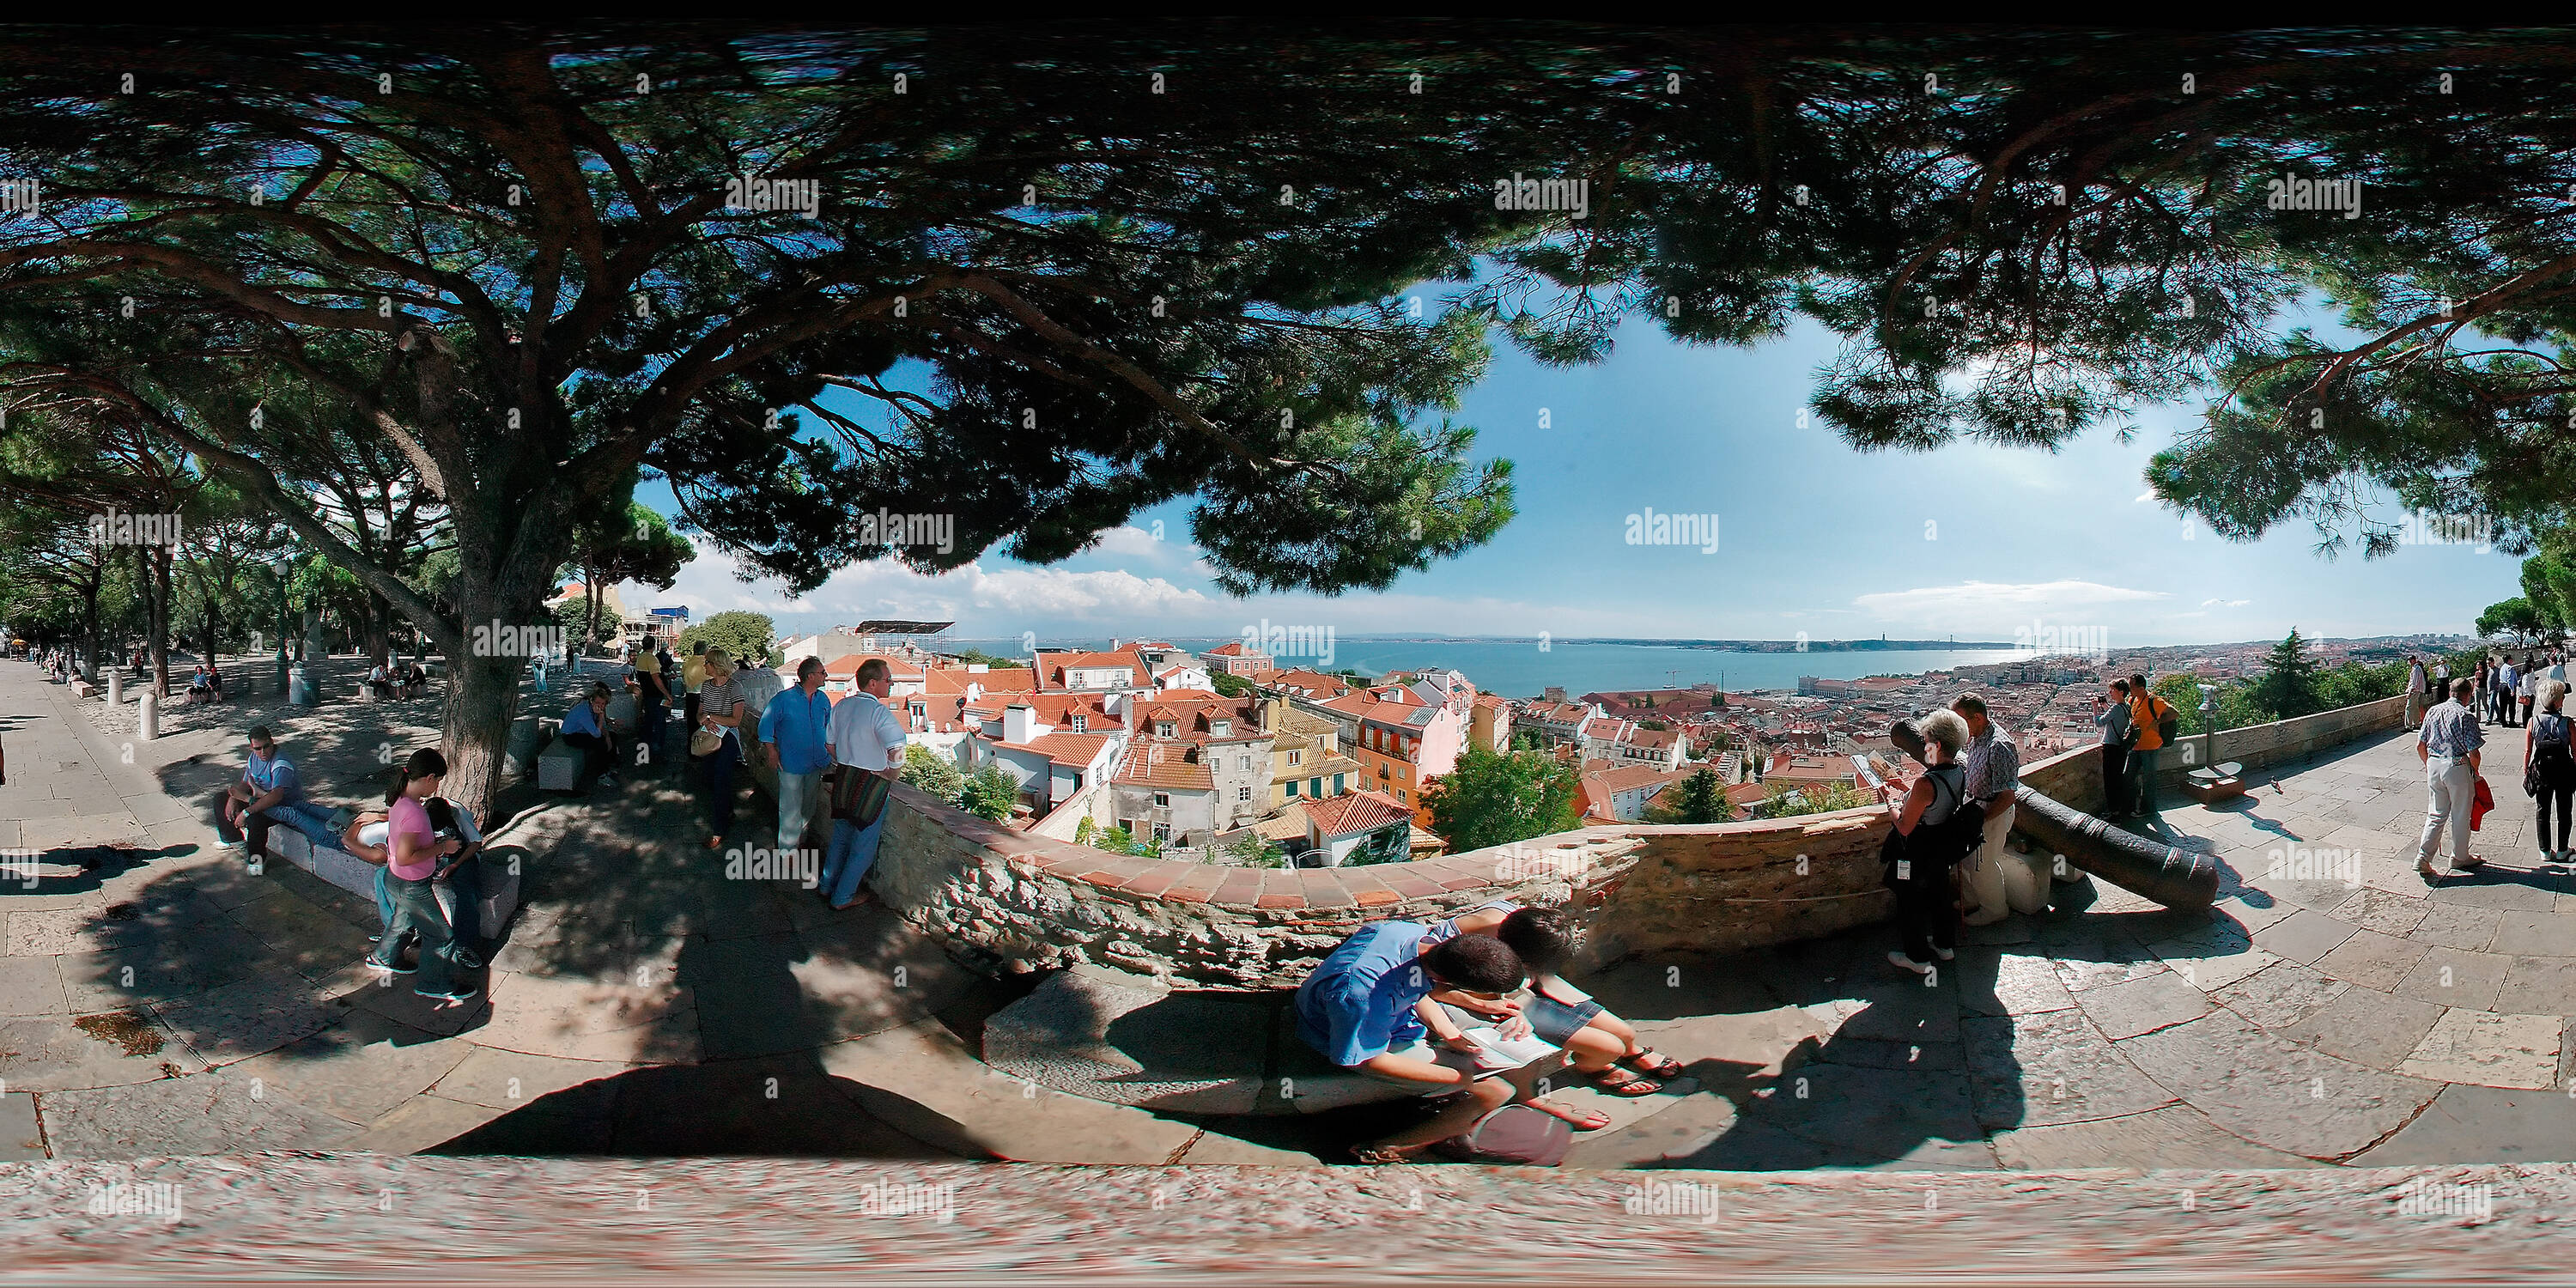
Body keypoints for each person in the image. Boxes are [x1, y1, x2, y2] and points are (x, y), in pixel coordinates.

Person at [1295, 920, 1589, 1163]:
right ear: (1447, 983)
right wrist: (1460, 1077)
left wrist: (1450, 1031)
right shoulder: (1360, 997)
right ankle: (1390, 1146)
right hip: (1358, 1039)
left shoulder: (1410, 938)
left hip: (1394, 1018)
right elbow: (1366, 1058)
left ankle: (1463, 1115)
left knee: (1510, 1052)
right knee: (1495, 1091)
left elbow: (1415, 989)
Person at [1421, 902, 1682, 1093]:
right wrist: (1483, 1003)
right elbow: (1427, 988)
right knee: (1608, 1047)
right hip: (1492, 1001)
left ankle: (1632, 1051)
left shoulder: (1520, 923)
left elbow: (1533, 978)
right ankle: (1594, 1068)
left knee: (1624, 1033)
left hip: (1525, 991)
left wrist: (1533, 982)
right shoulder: (1458, 948)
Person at [365, 748, 480, 1003]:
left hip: (395, 878)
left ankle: (383, 958)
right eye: (438, 780)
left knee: (403, 922)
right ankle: (435, 984)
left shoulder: (400, 799)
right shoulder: (415, 812)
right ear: (428, 778)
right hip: (412, 884)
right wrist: (442, 848)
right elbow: (407, 855)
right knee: (441, 935)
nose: (438, 786)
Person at [341, 781, 488, 971]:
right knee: (383, 877)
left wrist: (455, 865)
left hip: (461, 855)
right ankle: (394, 934)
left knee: (468, 889)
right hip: (432, 853)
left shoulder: (458, 813)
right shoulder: (418, 812)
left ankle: (463, 945)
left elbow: (476, 843)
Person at [1874, 712, 1972, 974]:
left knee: (1910, 900)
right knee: (1940, 895)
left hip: (1917, 847)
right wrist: (1908, 788)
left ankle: (1917, 958)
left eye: (1927, 740)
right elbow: (1936, 800)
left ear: (1937, 745)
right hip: (1942, 843)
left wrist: (1890, 801)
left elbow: (1905, 826)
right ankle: (1945, 946)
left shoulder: (1925, 783)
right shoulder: (1959, 770)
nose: (1924, 744)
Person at [820, 657, 905, 909]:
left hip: (845, 778)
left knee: (841, 837)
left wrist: (847, 761)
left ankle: (826, 886)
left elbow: (829, 745)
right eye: (888, 680)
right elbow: (897, 748)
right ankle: (842, 897)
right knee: (864, 847)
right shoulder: (879, 712)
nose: (891, 684)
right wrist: (892, 773)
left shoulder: (842, 706)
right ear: (872, 683)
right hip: (871, 783)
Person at [213, 726, 337, 863]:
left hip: (280, 804)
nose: (263, 752)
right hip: (259, 797)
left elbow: (276, 796)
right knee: (220, 798)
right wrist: (233, 798)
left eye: (266, 746)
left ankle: (257, 861)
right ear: (251, 747)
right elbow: (246, 781)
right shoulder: (253, 757)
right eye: (258, 748)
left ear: (272, 742)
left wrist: (246, 811)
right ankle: (233, 840)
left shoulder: (281, 763)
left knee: (255, 819)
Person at [1951, 694, 2020, 927]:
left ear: (1977, 717)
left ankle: (1995, 909)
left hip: (1992, 813)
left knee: (1983, 865)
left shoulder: (1999, 746)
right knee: (1970, 862)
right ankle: (1972, 899)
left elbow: (2007, 796)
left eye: (1960, 720)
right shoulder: (1977, 738)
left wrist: (1983, 819)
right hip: (1976, 809)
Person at [760, 656, 835, 857]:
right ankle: (787, 852)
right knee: (790, 810)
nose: (825, 676)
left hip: (817, 762)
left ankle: (798, 841)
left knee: (808, 808)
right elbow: (765, 727)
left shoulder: (823, 699)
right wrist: (772, 752)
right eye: (822, 673)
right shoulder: (783, 700)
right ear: (810, 676)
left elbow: (829, 728)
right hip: (791, 763)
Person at [2415, 677, 2488, 881]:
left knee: (2436, 814)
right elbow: (2474, 753)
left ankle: (2423, 857)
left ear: (2450, 692)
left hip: (2434, 763)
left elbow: (2420, 746)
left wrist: (2428, 766)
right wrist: (2475, 773)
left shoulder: (2433, 711)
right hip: (2456, 765)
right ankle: (2460, 856)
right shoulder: (2466, 716)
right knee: (2460, 814)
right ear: (2468, 694)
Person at [696, 648, 750, 851]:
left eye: (707, 663)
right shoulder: (706, 687)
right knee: (709, 777)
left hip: (727, 739)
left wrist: (711, 718)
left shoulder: (735, 688)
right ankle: (727, 809)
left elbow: (736, 720)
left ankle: (719, 830)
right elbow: (699, 713)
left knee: (720, 778)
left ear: (716, 665)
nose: (704, 666)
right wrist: (704, 720)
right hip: (709, 737)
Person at [2530, 680, 2576, 866]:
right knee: (2565, 809)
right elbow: (2575, 751)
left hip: (2542, 770)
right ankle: (2563, 849)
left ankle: (2545, 851)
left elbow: (2527, 750)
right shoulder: (2568, 723)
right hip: (2564, 769)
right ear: (2558, 701)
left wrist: (2526, 769)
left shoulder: (2533, 721)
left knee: (2542, 809)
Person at [2126, 675, 2177, 817]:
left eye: (2132, 686)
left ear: (2141, 688)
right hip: (2136, 745)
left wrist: (2158, 722)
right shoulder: (2132, 700)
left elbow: (2174, 713)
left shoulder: (2154, 700)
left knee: (2149, 779)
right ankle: (2129, 806)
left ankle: (2148, 809)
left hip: (2151, 746)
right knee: (2129, 776)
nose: (2129, 689)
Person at [560, 682, 621, 791]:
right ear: (591, 700)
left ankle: (610, 765)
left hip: (582, 732)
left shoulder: (592, 708)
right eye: (598, 702)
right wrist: (601, 716)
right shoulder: (583, 711)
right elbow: (596, 733)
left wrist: (608, 735)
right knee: (600, 742)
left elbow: (600, 728)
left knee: (613, 736)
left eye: (603, 704)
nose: (600, 706)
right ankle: (601, 776)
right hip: (570, 735)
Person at [2093, 680, 2134, 818]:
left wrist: (2095, 708)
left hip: (2110, 747)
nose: (2110, 693)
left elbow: (2099, 723)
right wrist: (2105, 706)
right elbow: (2115, 717)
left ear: (2121, 692)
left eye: (2113, 690)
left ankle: (2113, 813)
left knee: (2110, 781)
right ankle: (2119, 809)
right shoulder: (2126, 707)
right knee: (2117, 779)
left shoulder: (2116, 708)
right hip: (2120, 748)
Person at [629, 645, 672, 773]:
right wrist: (667, 693)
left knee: (647, 725)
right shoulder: (651, 659)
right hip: (655, 696)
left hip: (647, 695)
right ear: (653, 646)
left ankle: (643, 755)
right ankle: (657, 754)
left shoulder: (641, 658)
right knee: (659, 726)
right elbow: (656, 678)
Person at [2404, 655, 2427, 730]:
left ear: (2414, 660)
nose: (2410, 662)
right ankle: (2417, 724)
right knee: (2415, 708)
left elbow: (2414, 682)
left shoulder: (2416, 669)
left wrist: (2409, 693)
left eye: (2411, 660)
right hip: (2419, 690)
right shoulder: (2417, 668)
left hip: (2415, 691)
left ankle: (2409, 726)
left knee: (2409, 708)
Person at [2519, 656, 2540, 728]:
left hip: (2532, 693)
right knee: (2526, 710)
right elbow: (2525, 686)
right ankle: (2525, 723)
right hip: (2528, 695)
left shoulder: (2530, 675)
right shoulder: (2526, 676)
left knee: (2530, 710)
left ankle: (2529, 722)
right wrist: (2530, 694)